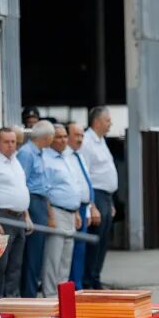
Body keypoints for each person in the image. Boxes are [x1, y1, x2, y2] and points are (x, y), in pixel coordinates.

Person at [0, 127, 32, 298]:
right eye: (7, 142)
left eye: (13, 142)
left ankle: (12, 300)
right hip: (3, 217)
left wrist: (27, 216)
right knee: (0, 265)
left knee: (16, 264)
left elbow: (20, 189)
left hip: (18, 217)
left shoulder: (15, 160)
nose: (11, 145)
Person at [41, 124, 81, 297]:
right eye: (59, 137)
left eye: (65, 136)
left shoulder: (66, 157)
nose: (63, 140)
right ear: (50, 139)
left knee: (66, 259)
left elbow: (72, 187)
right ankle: (50, 296)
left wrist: (77, 211)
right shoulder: (45, 158)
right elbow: (45, 191)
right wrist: (50, 215)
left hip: (71, 212)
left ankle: (62, 298)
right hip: (56, 212)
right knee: (53, 258)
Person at [80, 106, 118, 289]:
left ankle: (95, 278)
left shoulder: (101, 140)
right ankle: (88, 281)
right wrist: (91, 205)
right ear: (96, 122)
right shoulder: (87, 141)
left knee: (103, 241)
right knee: (95, 241)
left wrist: (110, 201)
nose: (110, 124)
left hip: (106, 196)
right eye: (107, 120)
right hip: (96, 195)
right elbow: (85, 174)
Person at [17, 120, 55, 297]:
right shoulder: (27, 153)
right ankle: (29, 294)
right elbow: (21, 181)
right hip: (31, 202)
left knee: (37, 251)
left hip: (40, 201)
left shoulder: (39, 153)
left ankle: (31, 292)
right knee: (32, 252)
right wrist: (26, 212)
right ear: (47, 137)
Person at [65, 122, 93, 289]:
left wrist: (89, 208)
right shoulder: (65, 156)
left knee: (81, 250)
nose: (80, 139)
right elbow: (72, 186)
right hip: (73, 208)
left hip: (83, 208)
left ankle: (79, 285)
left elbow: (86, 183)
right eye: (76, 135)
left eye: (82, 135)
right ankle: (73, 286)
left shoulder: (79, 155)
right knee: (71, 251)